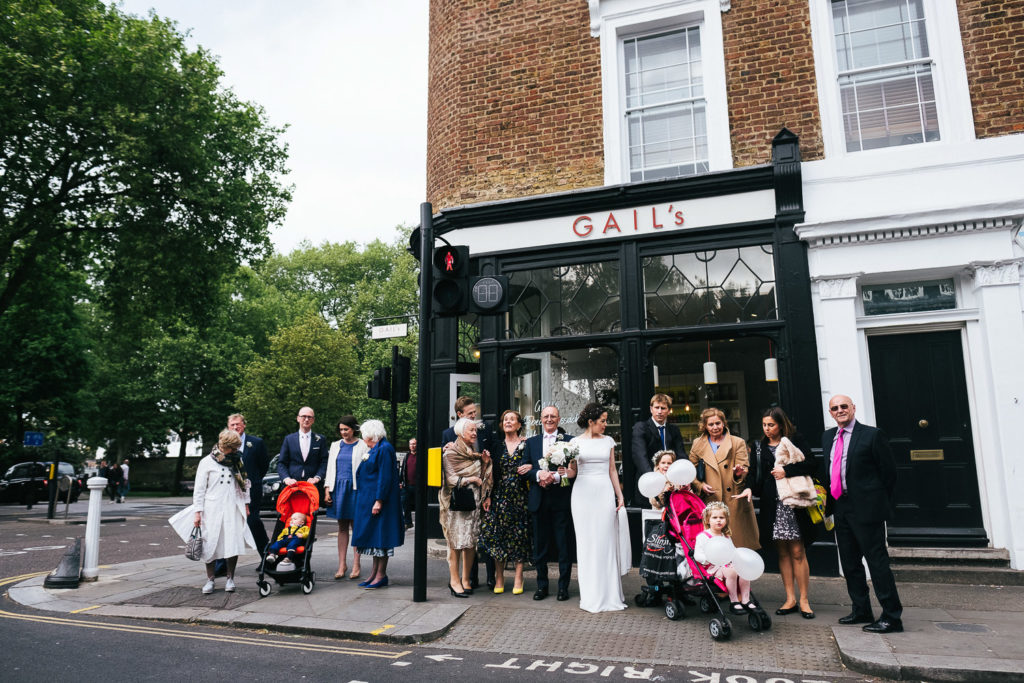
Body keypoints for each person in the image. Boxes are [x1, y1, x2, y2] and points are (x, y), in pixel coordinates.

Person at [824, 394, 903, 634]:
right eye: (835, 408)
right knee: (850, 563)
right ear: (831, 412)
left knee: (877, 563)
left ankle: (891, 616)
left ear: (853, 408)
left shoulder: (872, 435)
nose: (840, 410)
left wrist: (877, 502)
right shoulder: (828, 436)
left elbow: (889, 473)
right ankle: (861, 609)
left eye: (844, 406)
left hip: (867, 509)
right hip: (841, 506)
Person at [750, 406, 818, 619]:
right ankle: (790, 598)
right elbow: (756, 475)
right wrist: (745, 482)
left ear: (781, 424)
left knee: (798, 551)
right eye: (764, 425)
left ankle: (804, 600)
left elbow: (812, 463)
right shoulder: (760, 447)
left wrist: (786, 471)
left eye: (771, 424)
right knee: (782, 552)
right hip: (773, 504)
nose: (767, 429)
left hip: (793, 502)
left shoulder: (795, 439)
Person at [169, 429, 256, 594]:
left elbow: (244, 484)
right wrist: (197, 512)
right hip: (212, 508)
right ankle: (210, 580)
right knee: (210, 544)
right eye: (234, 448)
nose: (237, 450)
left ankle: (230, 578)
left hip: (233, 507)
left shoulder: (237, 461)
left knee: (232, 543)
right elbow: (199, 490)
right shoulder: (206, 462)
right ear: (225, 447)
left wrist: (246, 504)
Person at [568, 402, 628, 613]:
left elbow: (612, 470)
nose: (605, 424)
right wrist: (563, 468)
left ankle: (610, 594)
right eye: (602, 421)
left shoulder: (608, 441)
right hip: (582, 494)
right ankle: (591, 595)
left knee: (606, 541)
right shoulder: (574, 443)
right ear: (591, 421)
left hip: (603, 492)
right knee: (586, 544)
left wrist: (619, 495)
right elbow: (572, 473)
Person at [441, 396, 495, 589]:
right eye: (470, 414)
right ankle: (459, 580)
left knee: (473, 539)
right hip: (458, 500)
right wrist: (471, 478)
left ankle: (473, 579)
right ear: (460, 416)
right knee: (457, 540)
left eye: (475, 413)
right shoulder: (450, 441)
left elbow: (487, 465)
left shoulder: (482, 435)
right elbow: (449, 473)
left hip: (478, 498)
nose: (475, 418)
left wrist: (486, 464)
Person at [689, 407, 760, 550]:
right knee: (713, 548)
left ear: (724, 423)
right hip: (709, 500)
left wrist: (739, 473)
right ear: (704, 426)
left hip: (733, 499)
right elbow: (690, 471)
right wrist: (700, 485)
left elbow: (745, 468)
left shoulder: (737, 442)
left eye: (718, 423)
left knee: (738, 546)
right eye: (711, 424)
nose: (715, 427)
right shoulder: (698, 443)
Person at [479, 410, 533, 595]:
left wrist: (532, 466)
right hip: (499, 496)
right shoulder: (496, 446)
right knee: (497, 536)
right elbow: (489, 473)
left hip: (520, 496)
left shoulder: (527, 445)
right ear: (502, 425)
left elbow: (535, 464)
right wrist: (487, 495)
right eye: (505, 420)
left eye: (512, 419)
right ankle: (500, 576)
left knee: (519, 536)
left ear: (519, 425)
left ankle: (519, 576)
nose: (508, 422)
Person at [523, 405, 573, 601]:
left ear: (559, 419)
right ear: (541, 419)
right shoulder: (531, 442)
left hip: (561, 499)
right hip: (539, 499)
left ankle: (563, 587)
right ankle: (542, 586)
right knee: (540, 546)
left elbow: (573, 473)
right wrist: (538, 474)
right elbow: (525, 469)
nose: (549, 419)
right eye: (546, 416)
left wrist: (558, 478)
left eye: (553, 416)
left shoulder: (569, 442)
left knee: (563, 545)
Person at [351, 419, 404, 590]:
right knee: (375, 540)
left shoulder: (385, 449)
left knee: (381, 540)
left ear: (371, 435)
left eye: (364, 435)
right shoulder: (377, 448)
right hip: (369, 500)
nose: (363, 438)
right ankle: (374, 573)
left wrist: (379, 500)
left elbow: (385, 477)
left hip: (380, 503)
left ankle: (381, 575)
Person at [324, 415, 367, 580]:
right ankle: (342, 564)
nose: (343, 432)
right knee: (342, 528)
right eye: (341, 429)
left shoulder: (363, 444)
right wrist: (327, 490)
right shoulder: (335, 445)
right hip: (338, 489)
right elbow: (330, 469)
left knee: (356, 527)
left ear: (353, 429)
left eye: (346, 429)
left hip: (355, 489)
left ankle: (357, 563)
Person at [694, 501, 754, 615]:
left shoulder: (725, 536)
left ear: (726, 520)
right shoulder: (703, 537)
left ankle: (746, 599)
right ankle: (734, 600)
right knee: (731, 571)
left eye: (721, 517)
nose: (718, 520)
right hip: (712, 567)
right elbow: (697, 555)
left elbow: (732, 551)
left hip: (727, 564)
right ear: (707, 520)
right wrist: (709, 558)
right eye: (714, 517)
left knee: (744, 570)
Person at [631, 394, 686, 506]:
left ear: (669, 411)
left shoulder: (674, 430)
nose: (659, 411)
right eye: (656, 408)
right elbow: (640, 456)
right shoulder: (641, 428)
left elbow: (681, 454)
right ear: (651, 409)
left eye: (663, 408)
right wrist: (655, 481)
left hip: (672, 484)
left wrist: (682, 478)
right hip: (649, 483)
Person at [227, 413, 271, 552]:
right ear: (228, 427)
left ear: (244, 425)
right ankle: (222, 563)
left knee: (253, 522)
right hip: (229, 492)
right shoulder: (223, 444)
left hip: (251, 491)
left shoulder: (256, 443)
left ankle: (266, 556)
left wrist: (253, 479)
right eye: (232, 425)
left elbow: (264, 465)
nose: (235, 427)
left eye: (238, 424)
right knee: (229, 524)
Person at [277, 406, 328, 497]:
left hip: (312, 486)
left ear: (313, 420)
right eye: (304, 416)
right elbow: (281, 463)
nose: (306, 419)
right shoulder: (289, 439)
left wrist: (317, 477)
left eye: (310, 417)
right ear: (298, 418)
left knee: (310, 511)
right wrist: (287, 479)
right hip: (291, 486)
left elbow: (324, 462)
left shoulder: (320, 440)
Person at [398, 438, 417, 529]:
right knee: (405, 505)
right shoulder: (407, 456)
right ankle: (408, 522)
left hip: (418, 486)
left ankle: (420, 523)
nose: (412, 446)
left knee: (418, 505)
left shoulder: (421, 456)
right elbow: (403, 470)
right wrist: (400, 482)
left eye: (414, 444)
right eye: (411, 444)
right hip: (407, 485)